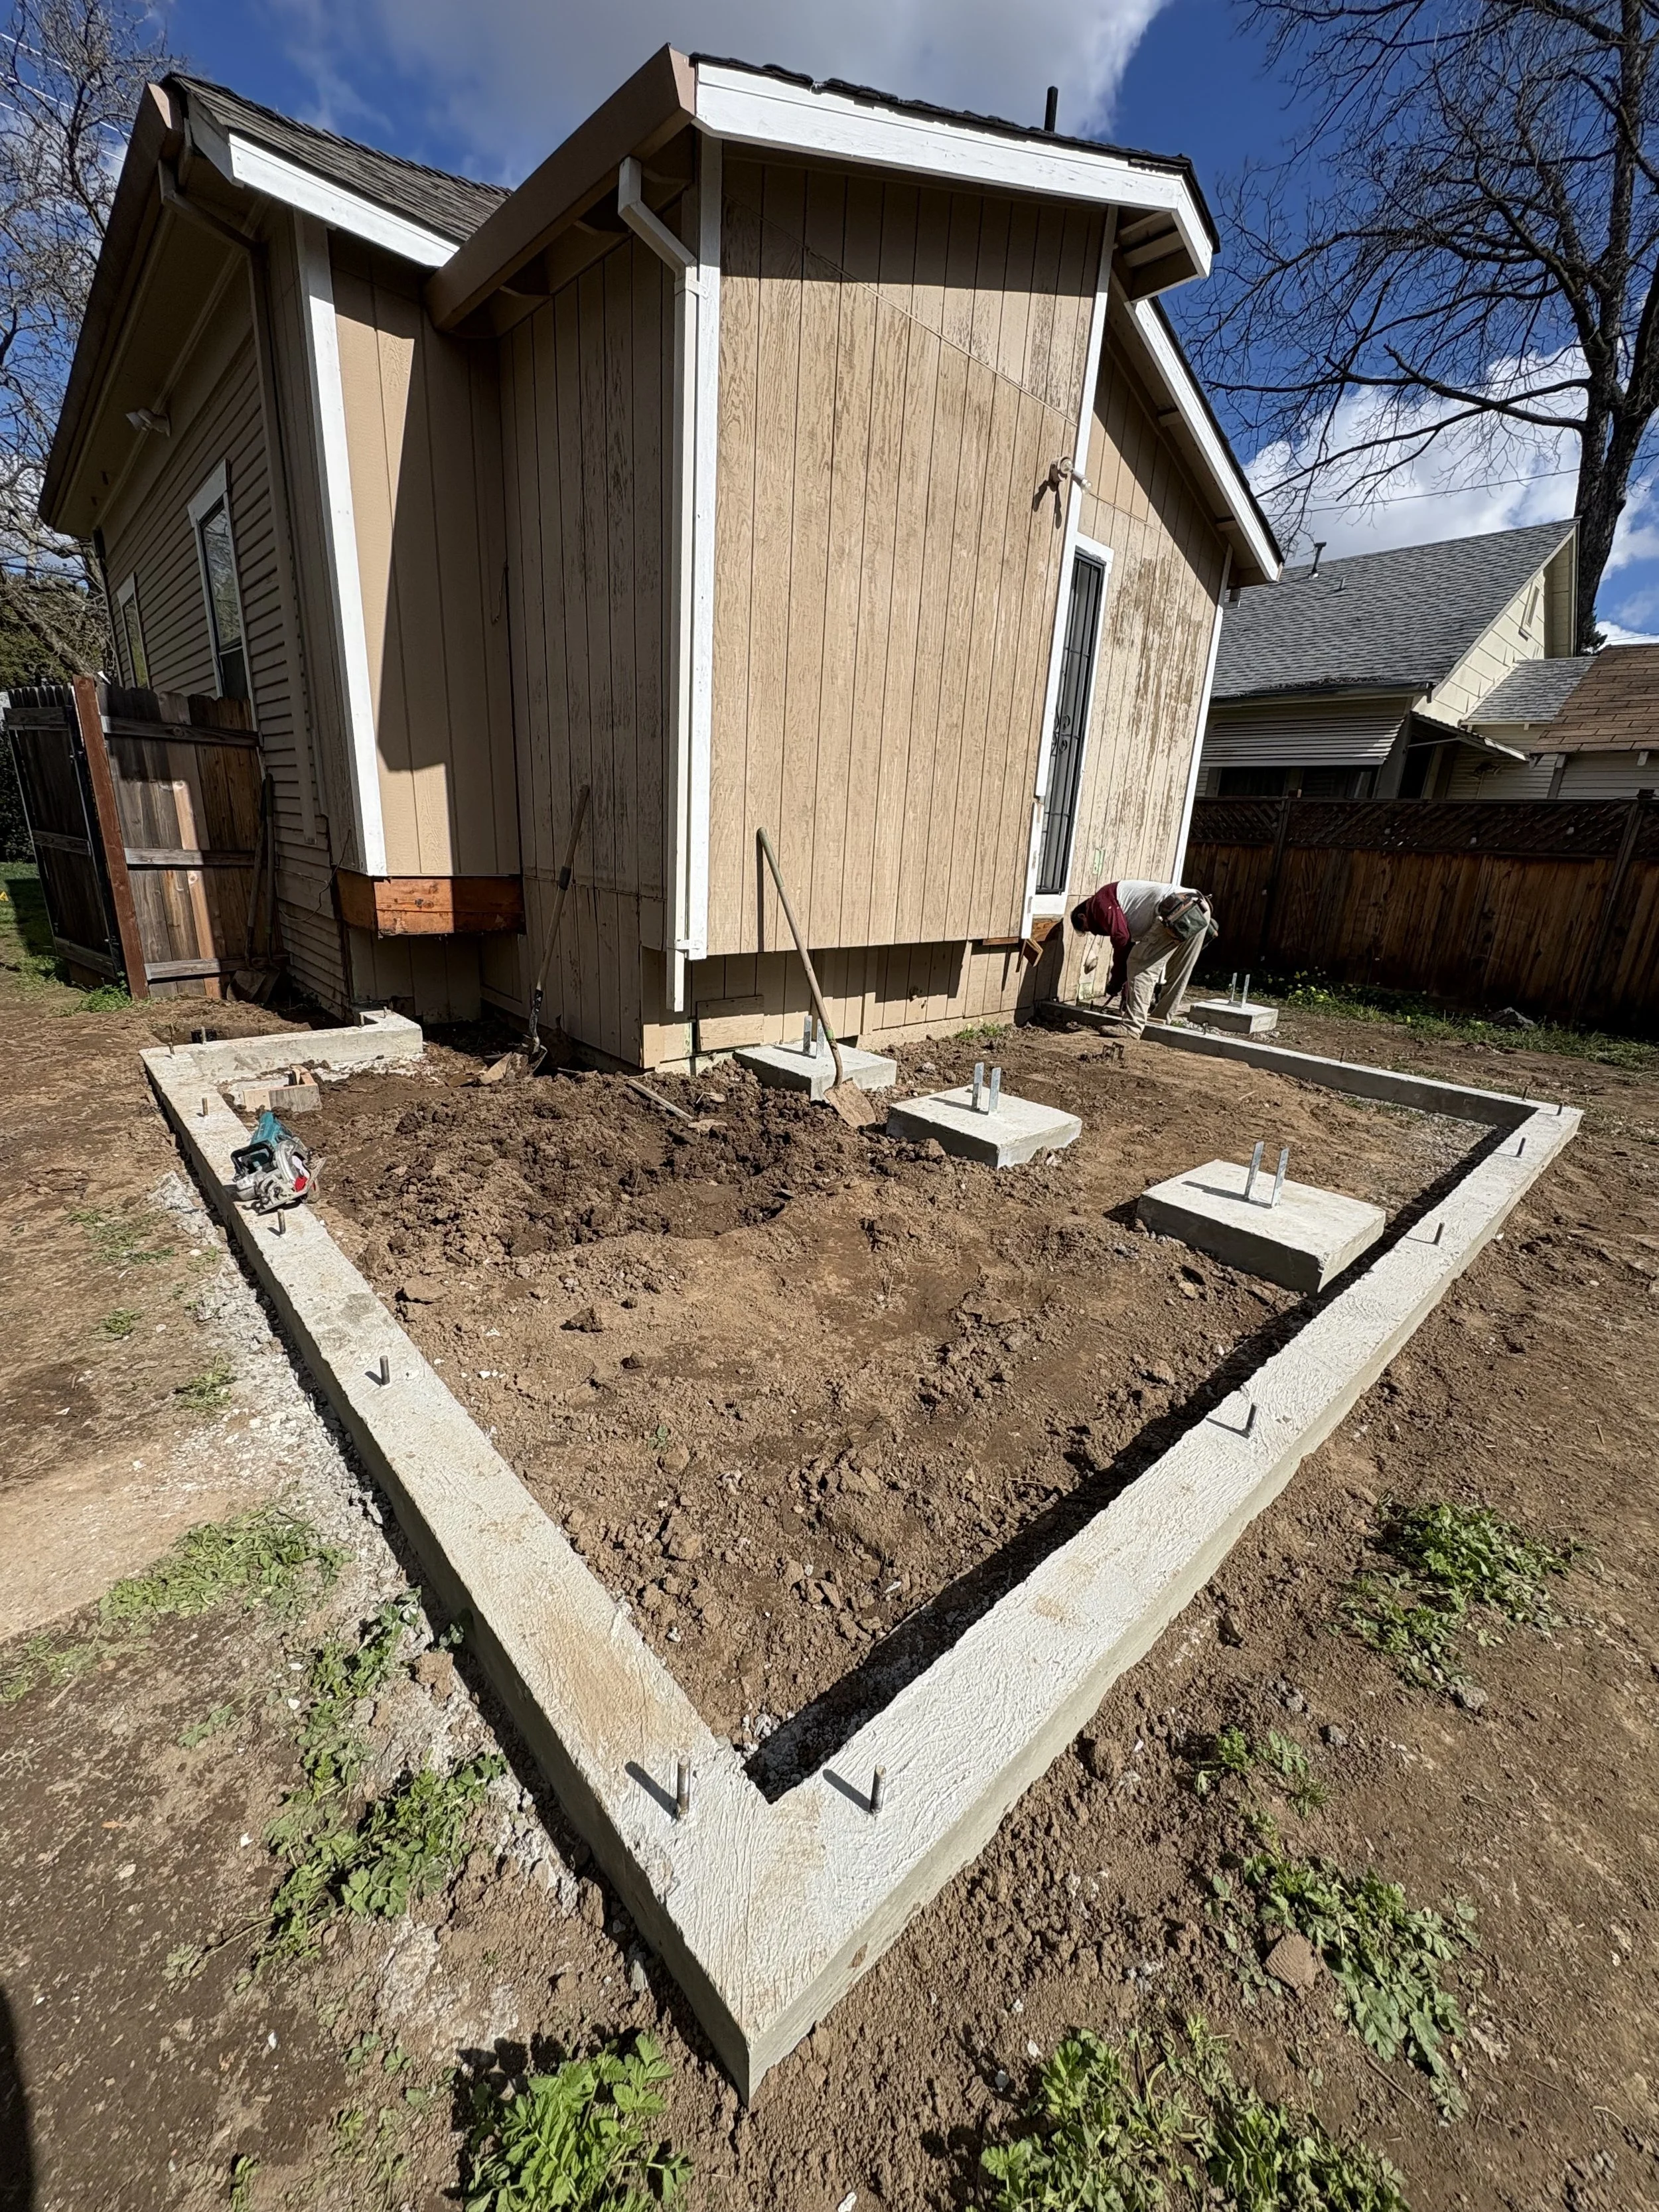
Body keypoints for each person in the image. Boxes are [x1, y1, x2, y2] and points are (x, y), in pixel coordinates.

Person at [1070, 877, 1218, 1035]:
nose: (1092, 931)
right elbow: (1129, 942)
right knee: (1178, 972)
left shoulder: (1099, 903)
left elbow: (1121, 938)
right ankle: (1160, 1021)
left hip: (1177, 909)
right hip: (1199, 908)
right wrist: (1126, 982)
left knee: (1139, 964)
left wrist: (1117, 981)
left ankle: (1132, 1027)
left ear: (1082, 916)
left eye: (1086, 928)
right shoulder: (1119, 900)